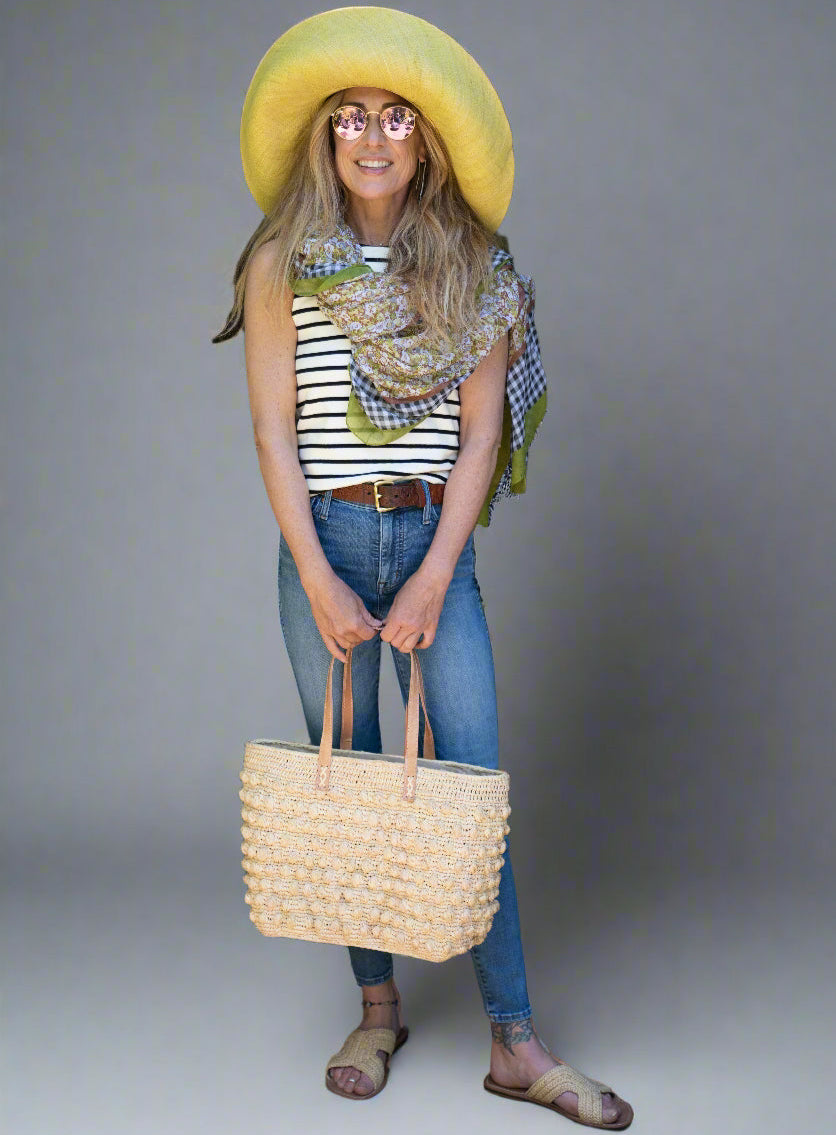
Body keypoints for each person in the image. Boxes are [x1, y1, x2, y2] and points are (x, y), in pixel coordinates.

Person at [214, 8, 633, 1130]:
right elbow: (275, 436)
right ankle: (376, 1005)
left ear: (425, 141)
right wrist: (315, 573)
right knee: (349, 774)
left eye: (395, 115)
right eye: (349, 115)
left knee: (467, 786)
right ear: (324, 137)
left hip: (432, 548)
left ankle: (513, 1041)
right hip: (328, 544)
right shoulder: (279, 262)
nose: (371, 136)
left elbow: (482, 436)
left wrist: (440, 571)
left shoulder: (476, 267)